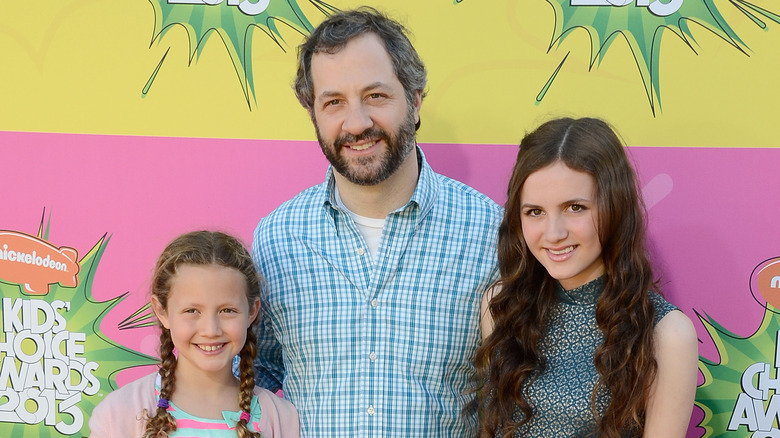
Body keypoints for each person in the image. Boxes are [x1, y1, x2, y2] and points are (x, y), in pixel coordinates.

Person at [250, 6, 502, 437]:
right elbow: (261, 376)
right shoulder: (277, 239)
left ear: (416, 99)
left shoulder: (490, 232)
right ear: (313, 113)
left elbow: (516, 390)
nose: (357, 122)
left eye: (376, 96)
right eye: (334, 102)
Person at [476, 117, 698, 437]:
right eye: (535, 211)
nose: (553, 233)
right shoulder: (500, 305)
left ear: (615, 206)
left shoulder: (666, 333)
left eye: (575, 207)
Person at [89, 231, 299, 438]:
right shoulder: (118, 413)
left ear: (252, 311)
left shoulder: (280, 418)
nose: (211, 330)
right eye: (192, 311)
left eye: (227, 310)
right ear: (162, 311)